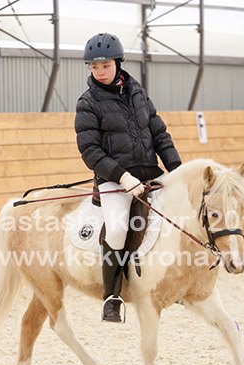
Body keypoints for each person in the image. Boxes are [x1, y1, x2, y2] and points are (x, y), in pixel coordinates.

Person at [75, 32, 182, 323]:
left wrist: (178, 171)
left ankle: (177, 281)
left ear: (118, 64)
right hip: (114, 180)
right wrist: (121, 177)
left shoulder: (138, 94)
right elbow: (90, 151)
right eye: (94, 67)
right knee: (119, 227)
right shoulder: (87, 103)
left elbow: (159, 135)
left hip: (149, 172)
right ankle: (112, 296)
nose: (100, 71)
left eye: (105, 66)